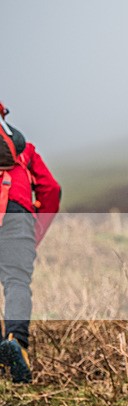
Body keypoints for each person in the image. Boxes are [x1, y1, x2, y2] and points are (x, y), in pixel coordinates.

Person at [0, 102, 61, 383]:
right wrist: (34, 232)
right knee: (16, 281)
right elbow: (51, 189)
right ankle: (17, 343)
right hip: (18, 214)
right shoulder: (24, 149)